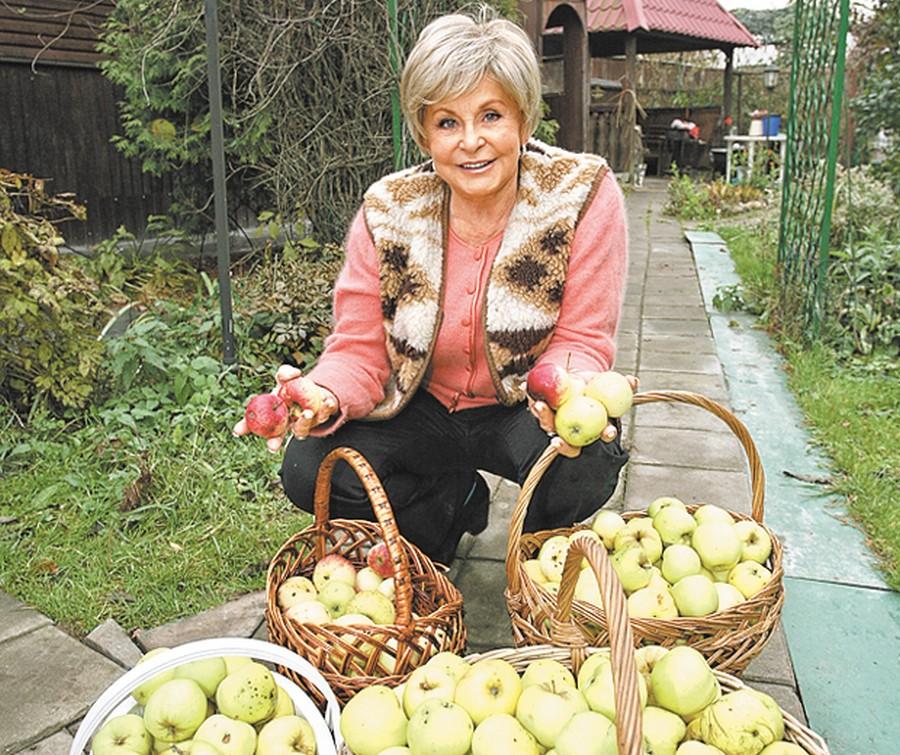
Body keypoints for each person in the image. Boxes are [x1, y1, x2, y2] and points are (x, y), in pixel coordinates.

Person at [235, 7, 634, 565]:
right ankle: (447, 506)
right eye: (447, 122)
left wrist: (564, 391)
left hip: (519, 407)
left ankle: (535, 563)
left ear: (523, 117)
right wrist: (322, 393)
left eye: (490, 115)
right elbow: (360, 346)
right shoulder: (389, 210)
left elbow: (583, 335)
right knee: (307, 468)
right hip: (419, 407)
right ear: (424, 131)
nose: (471, 141)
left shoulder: (581, 196)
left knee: (583, 463)